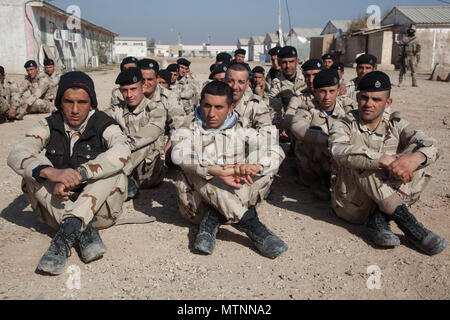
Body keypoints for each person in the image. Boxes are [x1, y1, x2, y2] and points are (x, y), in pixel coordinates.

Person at [7, 71, 131, 275]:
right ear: (59, 102)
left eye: (82, 102)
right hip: (61, 203)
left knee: (114, 169)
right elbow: (17, 152)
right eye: (68, 102)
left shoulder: (102, 123)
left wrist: (81, 174)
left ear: (91, 103)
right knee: (32, 169)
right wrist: (50, 172)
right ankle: (83, 231)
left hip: (100, 211)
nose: (75, 110)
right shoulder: (50, 124)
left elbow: (123, 148)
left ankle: (65, 236)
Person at [329, 71, 447, 255]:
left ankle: (378, 220)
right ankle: (407, 223)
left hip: (386, 197)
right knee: (363, 162)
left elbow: (431, 144)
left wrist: (414, 159)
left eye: (376, 99)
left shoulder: (395, 122)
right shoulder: (344, 123)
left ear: (388, 103)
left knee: (415, 155)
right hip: (353, 205)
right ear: (357, 97)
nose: (369, 104)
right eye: (364, 98)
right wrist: (381, 160)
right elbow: (337, 150)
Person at [171, 80, 287, 259]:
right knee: (197, 171)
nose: (211, 113)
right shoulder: (189, 128)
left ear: (231, 107)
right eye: (207, 106)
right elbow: (178, 154)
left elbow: (274, 149)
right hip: (197, 205)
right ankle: (252, 225)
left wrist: (254, 165)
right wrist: (218, 171)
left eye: (219, 107)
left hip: (235, 193)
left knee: (265, 171)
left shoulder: (242, 130)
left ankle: (213, 219)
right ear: (200, 103)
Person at [289, 69, 357, 200]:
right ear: (315, 91)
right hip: (315, 165)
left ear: (338, 91)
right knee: (310, 135)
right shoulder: (307, 108)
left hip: (339, 159)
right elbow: (297, 126)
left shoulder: (348, 107)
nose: (327, 97)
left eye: (331, 91)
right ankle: (318, 181)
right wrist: (327, 140)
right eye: (322, 92)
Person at [105, 67, 167, 200]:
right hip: (123, 164)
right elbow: (98, 120)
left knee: (146, 142)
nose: (129, 95)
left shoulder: (156, 108)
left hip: (149, 173)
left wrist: (122, 145)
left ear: (143, 87)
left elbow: (153, 131)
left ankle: (118, 179)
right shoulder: (118, 109)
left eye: (133, 89)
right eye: (124, 91)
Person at [137, 58, 185, 162]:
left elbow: (178, 126)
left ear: (157, 78)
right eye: (142, 80)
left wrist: (167, 150)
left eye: (150, 79)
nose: (145, 83)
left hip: (162, 140)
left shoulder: (169, 96)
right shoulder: (132, 93)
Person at [225, 62, 272, 131]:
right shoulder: (213, 103)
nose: (235, 87)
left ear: (247, 84)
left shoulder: (255, 104)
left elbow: (269, 137)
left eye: (240, 82)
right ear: (224, 81)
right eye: (231, 81)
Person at [269, 46, 305, 129]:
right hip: (288, 122)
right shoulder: (276, 83)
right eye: (284, 62)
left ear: (297, 61)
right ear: (279, 63)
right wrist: (278, 127)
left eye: (291, 61)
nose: (288, 66)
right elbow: (274, 109)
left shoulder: (307, 77)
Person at [282, 58, 323, 131]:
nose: (311, 80)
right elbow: (289, 118)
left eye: (315, 75)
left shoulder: (334, 94)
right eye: (307, 76)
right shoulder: (299, 97)